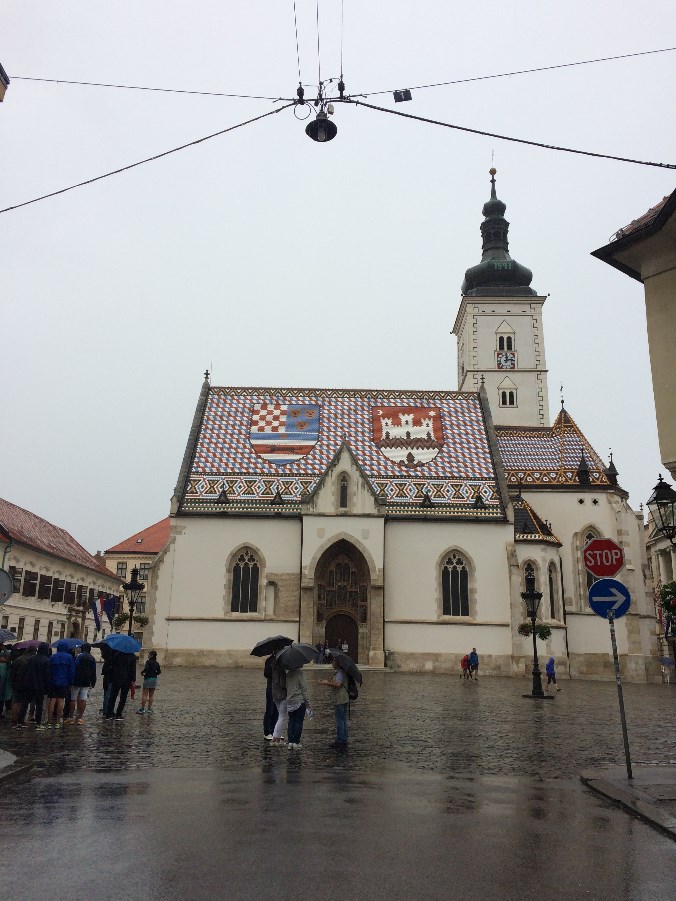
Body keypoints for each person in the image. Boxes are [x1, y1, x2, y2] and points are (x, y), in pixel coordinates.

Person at [318, 657, 349, 751]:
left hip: (340, 698)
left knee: (340, 720)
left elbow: (338, 684)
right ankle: (343, 739)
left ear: (338, 663)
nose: (332, 662)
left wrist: (326, 683)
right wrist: (327, 681)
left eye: (334, 661)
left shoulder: (340, 672)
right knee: (343, 719)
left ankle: (341, 741)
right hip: (343, 698)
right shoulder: (340, 672)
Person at [48, 639, 76, 726]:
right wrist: (71, 682)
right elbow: (71, 672)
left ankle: (49, 720)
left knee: (52, 700)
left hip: (53, 682)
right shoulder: (69, 657)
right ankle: (57, 721)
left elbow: (49, 670)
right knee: (60, 701)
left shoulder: (52, 657)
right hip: (64, 682)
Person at [66, 643, 97, 724]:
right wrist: (93, 681)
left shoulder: (79, 656)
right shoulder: (92, 658)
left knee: (73, 699)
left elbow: (75, 667)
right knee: (83, 699)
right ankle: (80, 718)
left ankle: (71, 717)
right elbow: (93, 671)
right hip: (86, 681)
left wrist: (71, 680)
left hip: (76, 680)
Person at [25, 642, 51, 729]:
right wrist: (48, 687)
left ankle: (20, 722)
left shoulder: (32, 658)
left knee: (26, 703)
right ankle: (38, 723)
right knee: (39, 705)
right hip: (40, 685)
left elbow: (27, 671)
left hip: (30, 684)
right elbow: (47, 675)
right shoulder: (46, 660)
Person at [285, 665, 311, 750]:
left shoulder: (288, 674)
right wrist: (307, 701)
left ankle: (290, 743)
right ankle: (296, 742)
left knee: (291, 721)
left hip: (289, 701)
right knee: (298, 722)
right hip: (299, 700)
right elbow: (304, 688)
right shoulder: (300, 673)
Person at [104, 651, 136, 720]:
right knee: (123, 698)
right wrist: (133, 680)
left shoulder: (117, 654)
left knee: (113, 696)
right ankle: (118, 714)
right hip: (126, 679)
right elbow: (133, 669)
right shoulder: (132, 656)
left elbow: (113, 666)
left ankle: (109, 714)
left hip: (116, 678)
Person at [13, 647, 35, 729]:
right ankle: (21, 720)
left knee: (15, 702)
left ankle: (14, 720)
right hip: (25, 684)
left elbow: (13, 672)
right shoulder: (30, 660)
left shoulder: (18, 659)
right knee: (23, 703)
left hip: (16, 683)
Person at [270, 658, 288, 746]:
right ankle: (276, 739)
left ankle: (275, 737)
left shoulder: (273, 670)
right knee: (282, 717)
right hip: (282, 695)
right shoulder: (281, 670)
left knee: (280, 716)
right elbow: (283, 684)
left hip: (275, 694)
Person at [261, 653, 278, 738]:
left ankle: (274, 730)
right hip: (271, 687)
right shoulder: (269, 660)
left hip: (279, 687)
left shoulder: (281, 660)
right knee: (270, 709)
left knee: (276, 710)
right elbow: (266, 674)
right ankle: (267, 732)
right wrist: (274, 668)